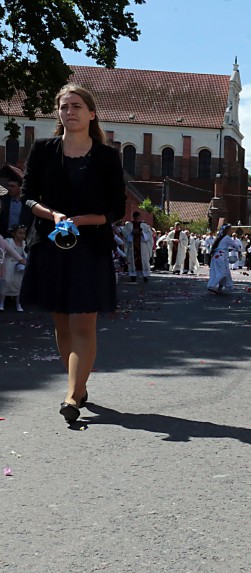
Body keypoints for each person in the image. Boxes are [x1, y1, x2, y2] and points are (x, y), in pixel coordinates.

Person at [20, 84, 126, 424]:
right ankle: (78, 387)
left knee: (83, 321)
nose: (70, 112)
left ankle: (71, 396)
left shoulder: (107, 156)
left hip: (91, 247)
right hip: (50, 245)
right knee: (61, 321)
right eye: (64, 106)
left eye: (77, 106)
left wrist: (82, 220)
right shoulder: (42, 149)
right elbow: (26, 196)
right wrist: (53, 215)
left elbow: (116, 209)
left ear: (91, 113)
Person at [0, 224, 28, 311]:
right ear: (13, 234)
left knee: (20, 283)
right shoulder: (8, 241)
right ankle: (1, 302)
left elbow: (25, 255)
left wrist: (24, 262)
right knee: (6, 281)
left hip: (20, 264)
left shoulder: (25, 243)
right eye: (20, 233)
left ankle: (18, 303)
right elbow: (10, 252)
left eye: (24, 233)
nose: (22, 235)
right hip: (8, 263)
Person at [206, 223, 237, 294]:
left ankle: (220, 288)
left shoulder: (219, 238)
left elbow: (222, 247)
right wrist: (236, 249)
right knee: (222, 273)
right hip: (221, 257)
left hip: (216, 256)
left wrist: (228, 249)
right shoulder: (227, 238)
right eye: (230, 229)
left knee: (224, 273)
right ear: (228, 230)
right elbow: (236, 246)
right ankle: (211, 285)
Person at [122, 211, 153, 282]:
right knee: (132, 260)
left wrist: (142, 233)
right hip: (132, 246)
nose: (137, 219)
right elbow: (125, 234)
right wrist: (132, 233)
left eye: (138, 218)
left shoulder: (144, 225)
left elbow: (149, 235)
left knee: (144, 261)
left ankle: (145, 275)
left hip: (142, 246)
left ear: (139, 217)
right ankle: (133, 275)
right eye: (135, 218)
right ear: (134, 217)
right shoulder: (128, 225)